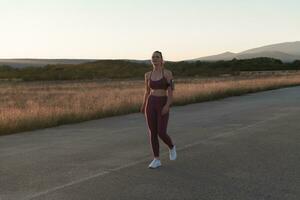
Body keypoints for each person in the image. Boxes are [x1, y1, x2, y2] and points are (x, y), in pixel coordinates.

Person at [140, 50, 177, 169]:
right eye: (153, 57)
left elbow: (171, 92)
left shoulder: (167, 73)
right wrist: (144, 104)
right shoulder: (147, 75)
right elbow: (147, 92)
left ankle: (171, 146)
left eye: (157, 57)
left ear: (161, 60)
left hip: (162, 102)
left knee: (161, 132)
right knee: (152, 132)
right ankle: (156, 159)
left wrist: (167, 105)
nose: (155, 59)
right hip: (150, 103)